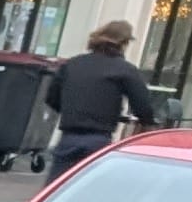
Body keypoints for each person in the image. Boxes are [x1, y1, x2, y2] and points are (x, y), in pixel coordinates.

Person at [44, 22, 163, 174]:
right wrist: (148, 123)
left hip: (68, 138)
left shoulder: (72, 64)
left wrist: (73, 109)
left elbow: (52, 98)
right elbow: (142, 105)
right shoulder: (125, 69)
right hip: (98, 139)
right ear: (124, 44)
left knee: (58, 189)